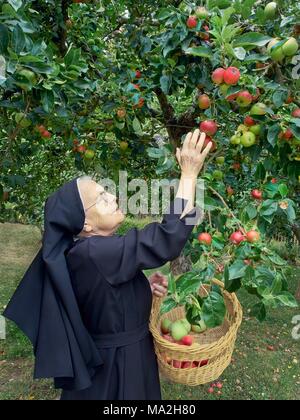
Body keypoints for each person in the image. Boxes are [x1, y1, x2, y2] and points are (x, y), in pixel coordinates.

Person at [3, 129, 211, 400]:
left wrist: (140, 287)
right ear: (85, 223)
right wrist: (190, 174)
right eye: (100, 198)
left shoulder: (85, 253)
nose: (112, 198)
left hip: (117, 361)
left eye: (107, 192)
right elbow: (166, 240)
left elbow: (102, 298)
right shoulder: (94, 252)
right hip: (118, 372)